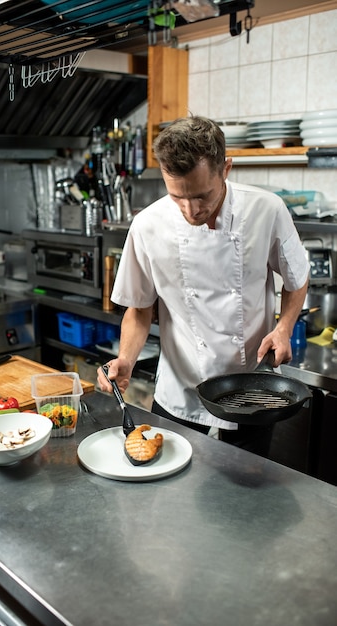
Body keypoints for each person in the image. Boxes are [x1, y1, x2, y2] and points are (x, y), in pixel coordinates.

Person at [97, 115, 310, 457]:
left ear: (225, 169)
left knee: (249, 489)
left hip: (252, 389)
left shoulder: (266, 210)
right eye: (177, 197)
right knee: (175, 495)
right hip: (180, 391)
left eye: (201, 195)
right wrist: (125, 358)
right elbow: (139, 308)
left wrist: (284, 328)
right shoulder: (147, 225)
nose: (190, 210)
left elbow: (297, 279)